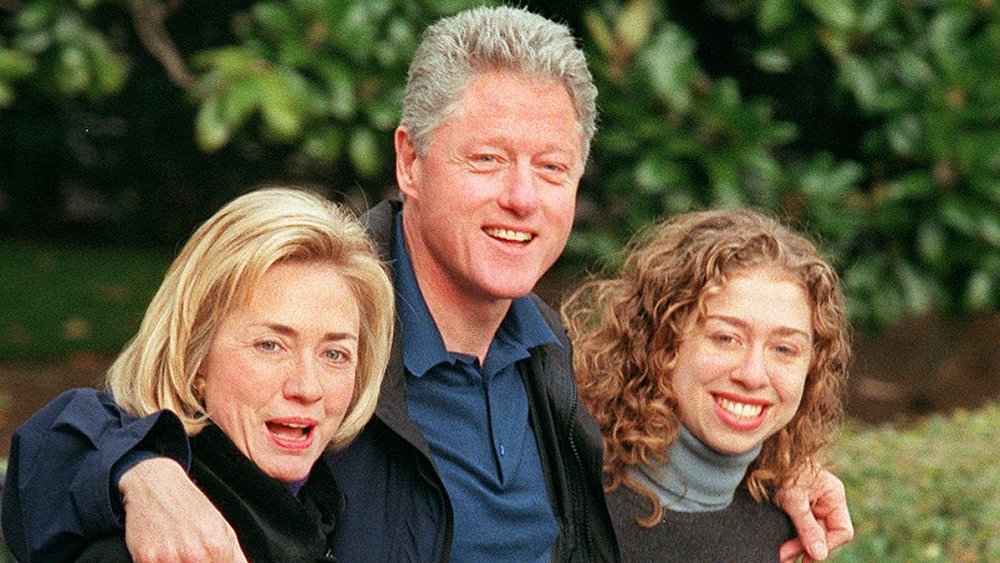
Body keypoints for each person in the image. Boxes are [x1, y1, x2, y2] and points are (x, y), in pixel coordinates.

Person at [1, 7, 852, 562]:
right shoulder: (324, 319)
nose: (522, 196)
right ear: (411, 160)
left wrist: (784, 469)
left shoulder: (547, 358)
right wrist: (141, 472)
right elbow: (74, 441)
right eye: (487, 160)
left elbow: (668, 456)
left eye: (551, 168)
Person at [2, 187, 395, 561]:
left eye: (334, 353)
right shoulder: (154, 543)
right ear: (195, 357)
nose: (307, 387)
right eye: (270, 345)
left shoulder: (320, 509)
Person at [562, 209, 852, 562]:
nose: (753, 374)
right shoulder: (568, 500)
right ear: (661, 341)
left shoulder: (782, 525)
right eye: (726, 338)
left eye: (783, 349)